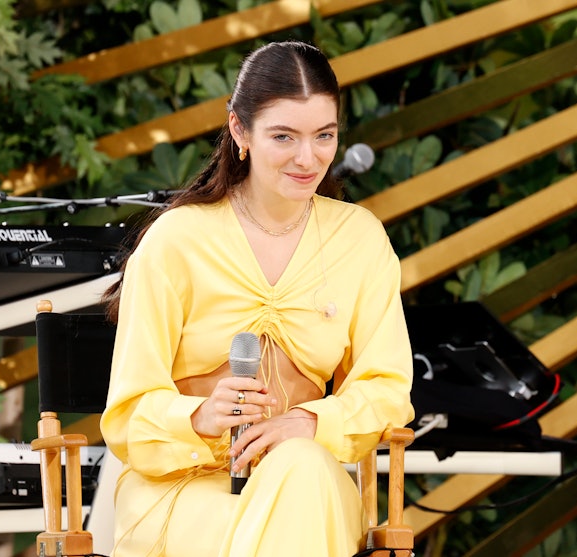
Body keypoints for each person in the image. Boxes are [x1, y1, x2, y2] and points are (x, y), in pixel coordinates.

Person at [100, 40, 414, 557]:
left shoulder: (360, 239)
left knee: (302, 466)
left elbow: (387, 391)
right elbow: (128, 415)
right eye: (284, 136)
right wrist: (197, 417)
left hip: (312, 485)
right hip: (186, 491)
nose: (307, 158)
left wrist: (314, 423)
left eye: (324, 136)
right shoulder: (176, 240)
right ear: (239, 131)